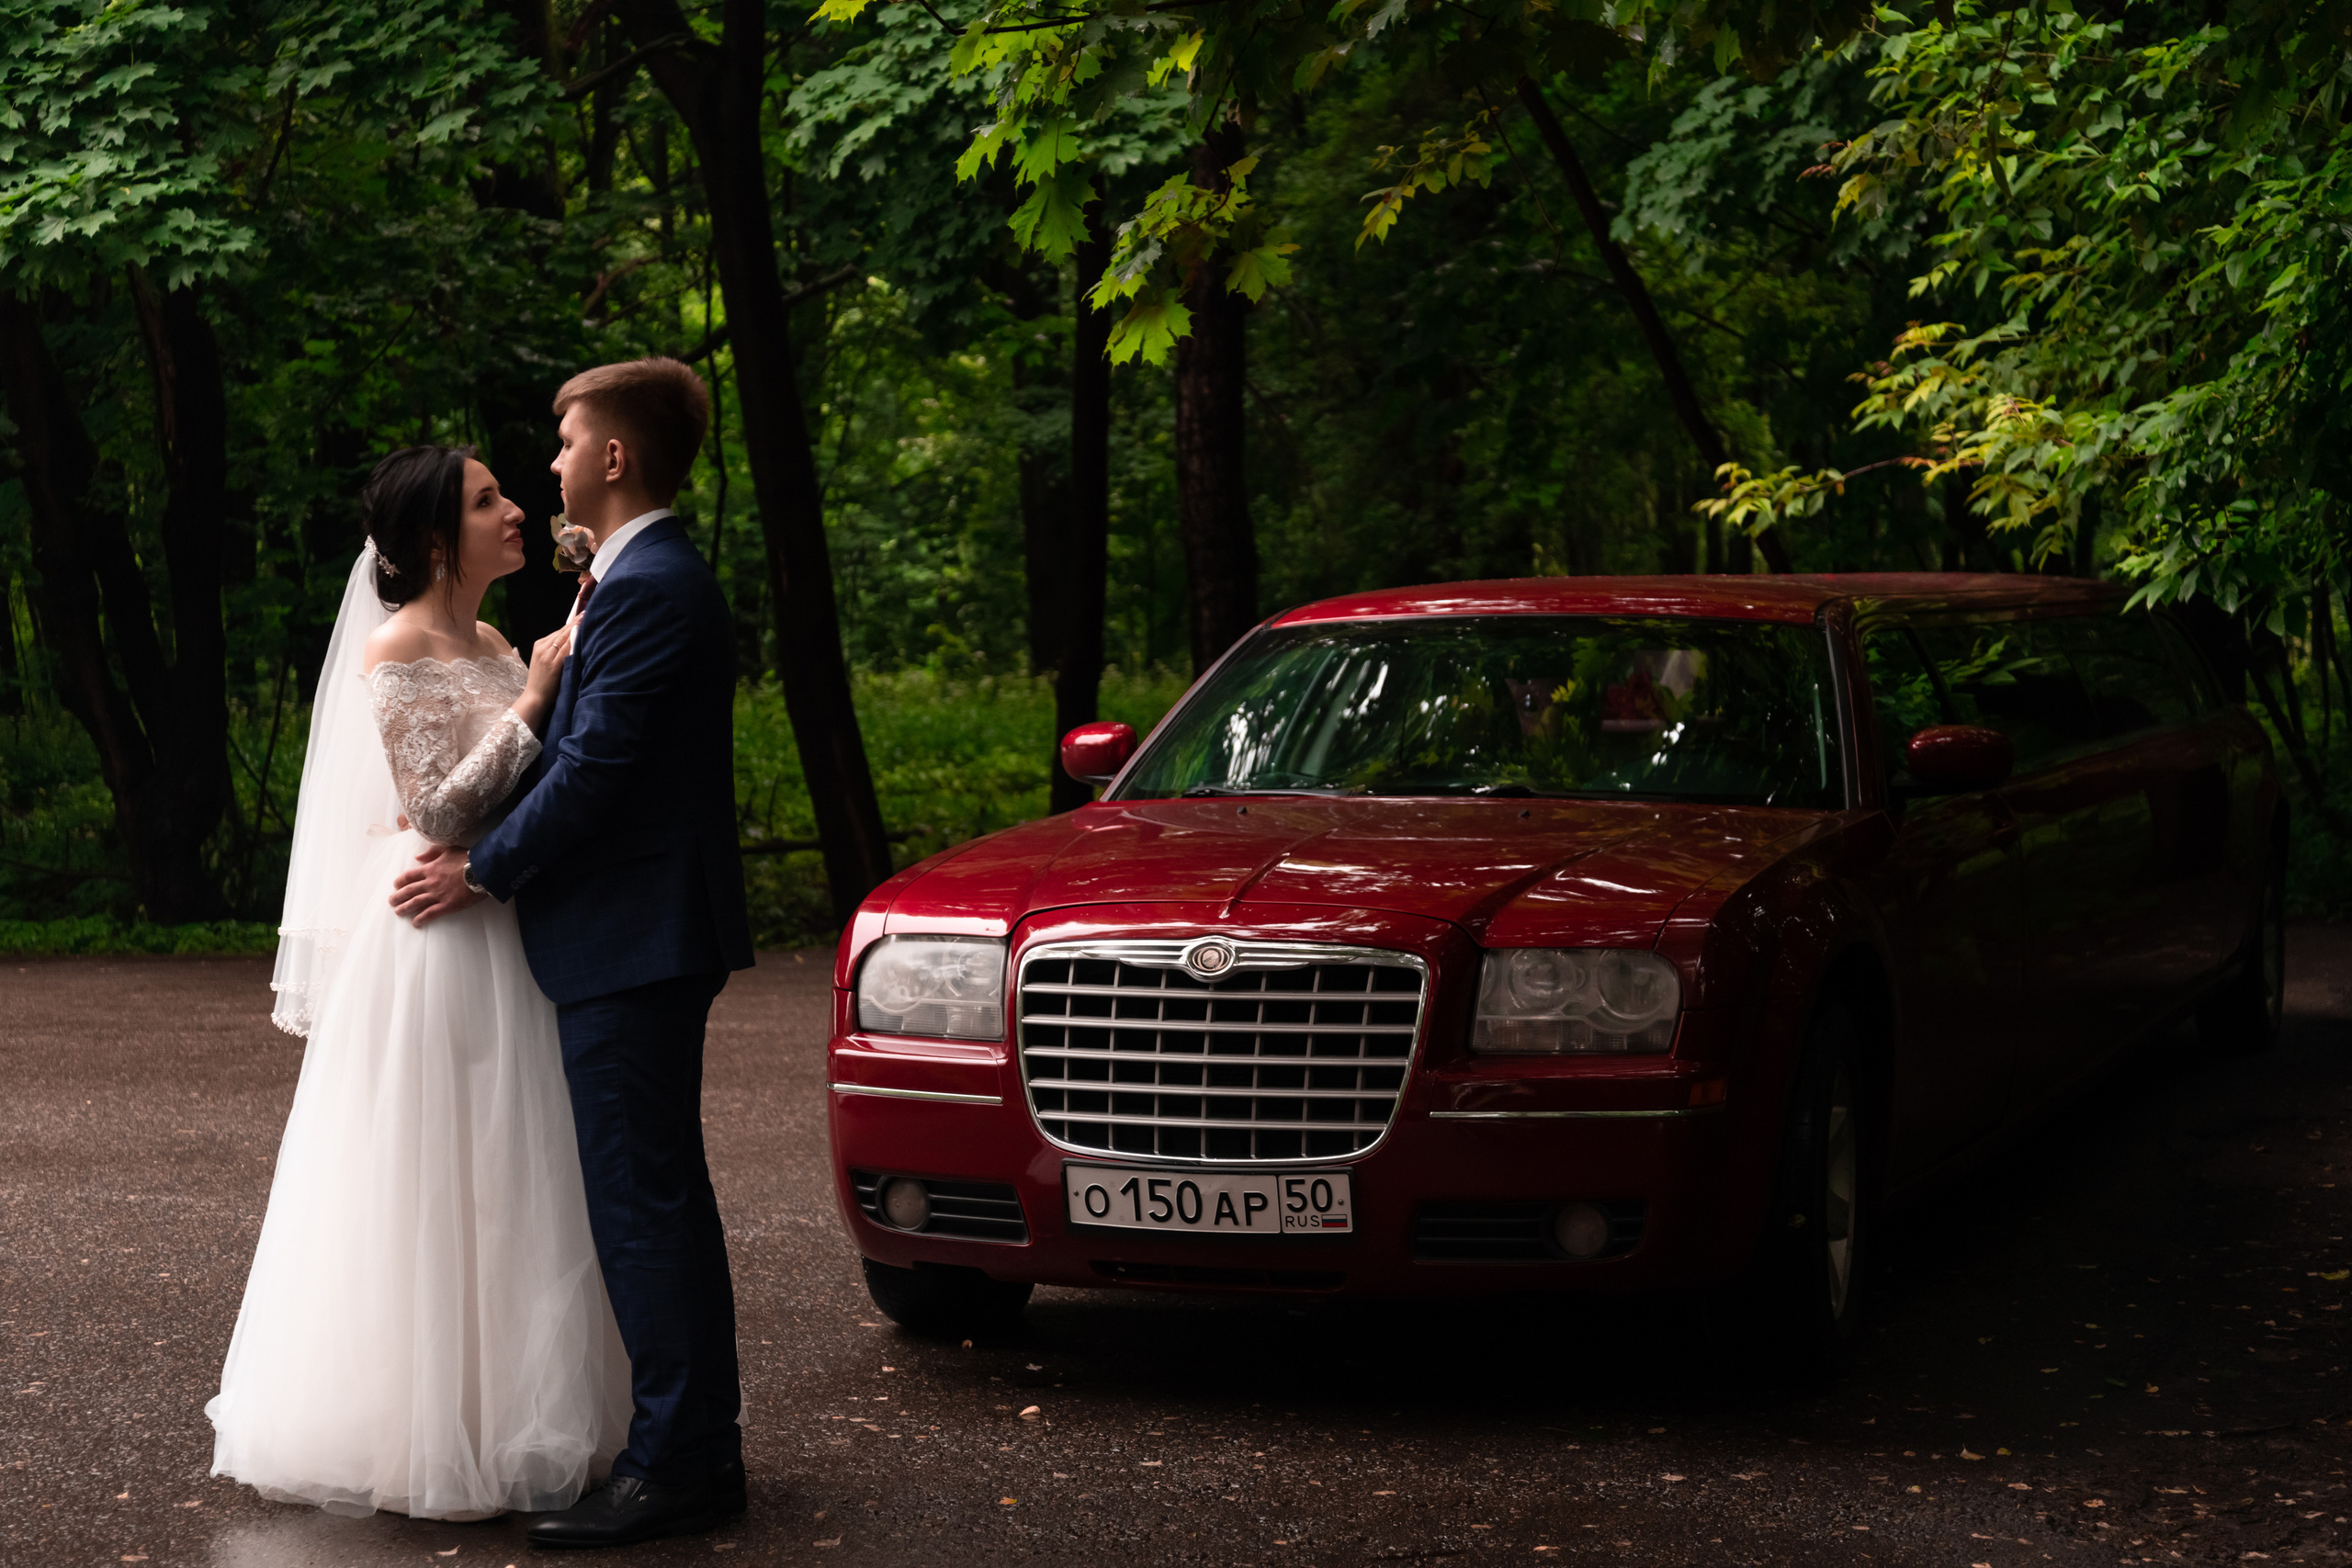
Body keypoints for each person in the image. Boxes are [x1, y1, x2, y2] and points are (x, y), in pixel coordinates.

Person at [209, 446, 631, 1519]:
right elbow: (439, 810)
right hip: (436, 928)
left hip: (498, 909)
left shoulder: (490, 637)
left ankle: (514, 1414)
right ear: (439, 540)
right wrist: (535, 697)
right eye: (490, 500)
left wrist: (546, 678)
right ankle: (425, 1427)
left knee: (516, 1170)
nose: (518, 510)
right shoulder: (396, 646)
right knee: (441, 1166)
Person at [389, 357, 756, 1549]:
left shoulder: (648, 584)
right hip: (633, 929)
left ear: (613, 457)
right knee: (657, 1196)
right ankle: (699, 1445)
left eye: (562, 441)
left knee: (644, 1204)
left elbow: (595, 769)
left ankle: (674, 1462)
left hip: (634, 933)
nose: (548, 464)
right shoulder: (625, 576)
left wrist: (480, 866)